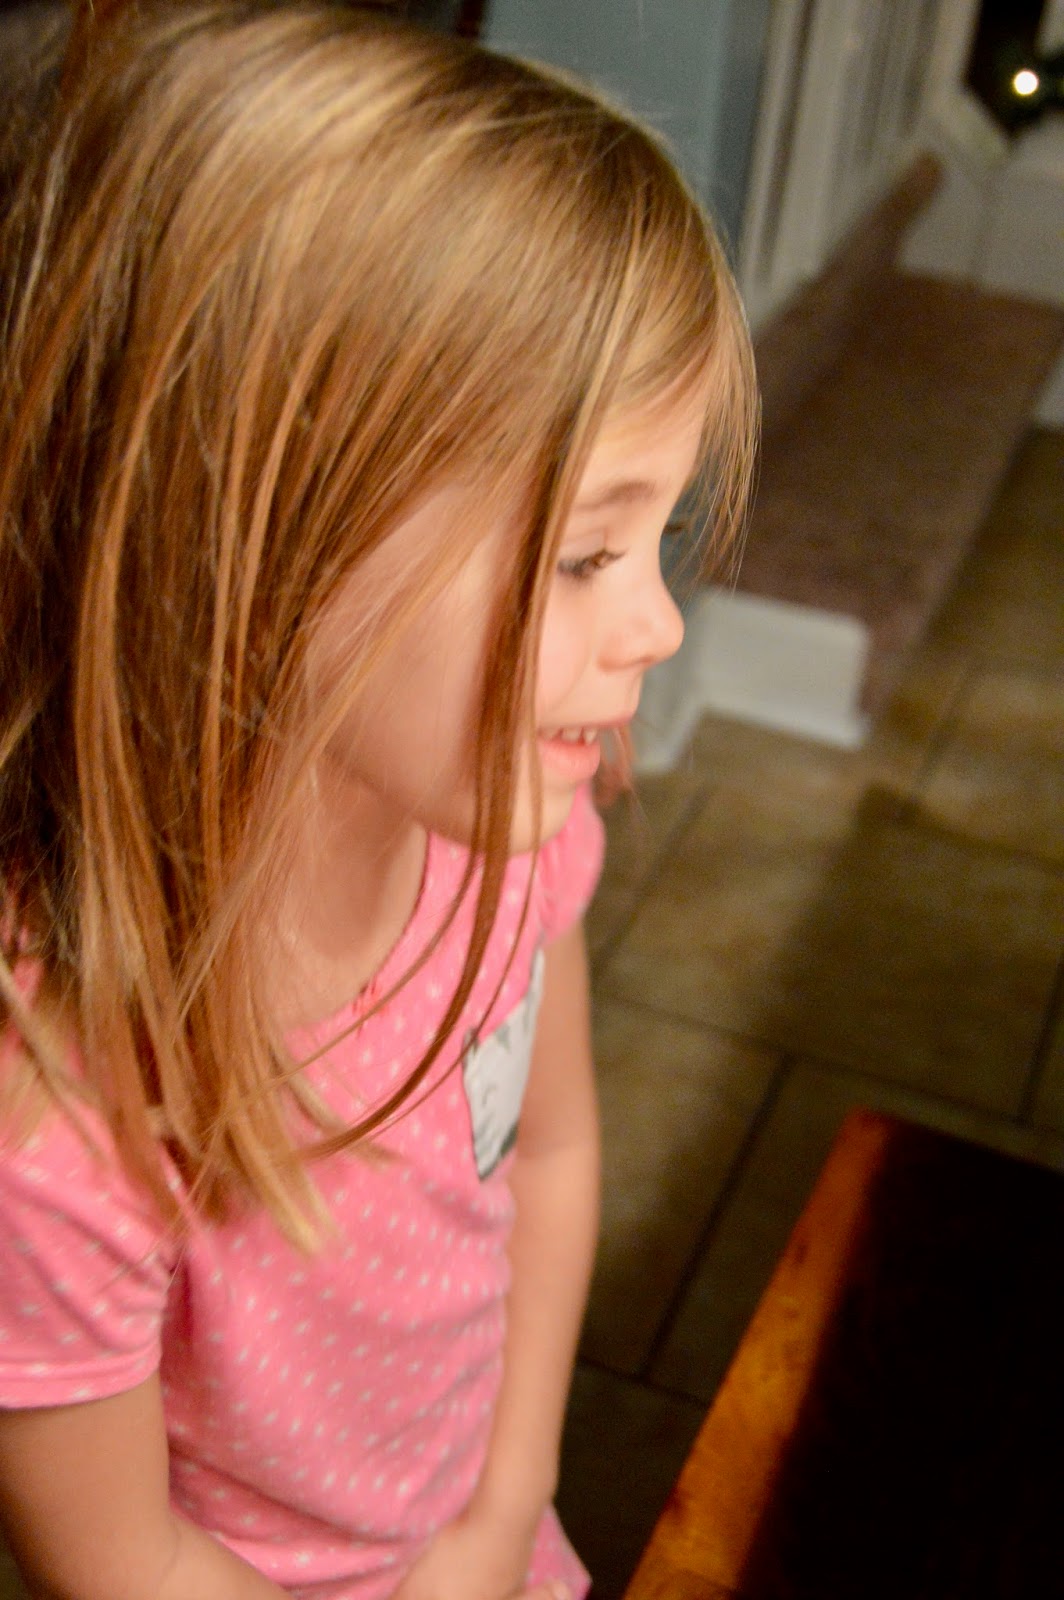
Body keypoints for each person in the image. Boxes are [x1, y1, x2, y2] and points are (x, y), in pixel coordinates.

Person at [0, 4, 758, 1597]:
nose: (658, 625)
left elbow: (550, 1158)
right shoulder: (59, 1115)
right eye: (585, 555)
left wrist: (502, 1509)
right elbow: (121, 1562)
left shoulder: (513, 846)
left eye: (661, 537)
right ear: (263, 535)